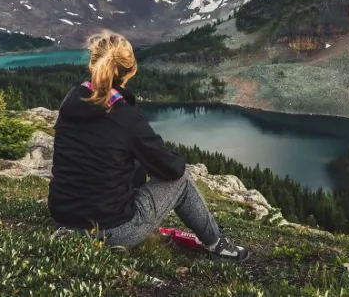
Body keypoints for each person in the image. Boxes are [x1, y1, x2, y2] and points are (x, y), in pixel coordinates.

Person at [48, 31, 249, 262]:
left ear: (93, 64)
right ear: (130, 70)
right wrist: (172, 157)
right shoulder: (124, 115)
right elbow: (172, 170)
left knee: (129, 160)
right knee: (181, 181)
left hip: (63, 218)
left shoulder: (72, 100)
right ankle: (216, 245)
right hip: (108, 233)